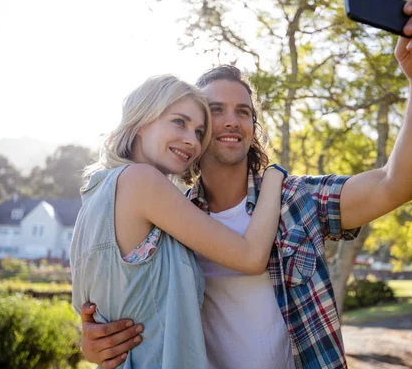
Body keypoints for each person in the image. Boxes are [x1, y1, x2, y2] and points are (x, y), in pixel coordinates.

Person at [79, 0, 412, 368]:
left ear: (252, 129)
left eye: (243, 112)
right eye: (213, 112)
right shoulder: (169, 218)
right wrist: (96, 339)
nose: (230, 121)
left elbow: (398, 183)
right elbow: (129, 295)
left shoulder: (297, 199)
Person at [70, 74, 285, 368]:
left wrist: (92, 340)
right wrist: (274, 177)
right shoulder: (141, 181)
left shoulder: (96, 196)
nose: (192, 142)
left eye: (199, 132)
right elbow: (250, 256)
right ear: (142, 121)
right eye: (179, 122)